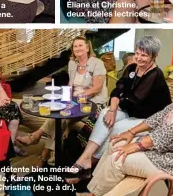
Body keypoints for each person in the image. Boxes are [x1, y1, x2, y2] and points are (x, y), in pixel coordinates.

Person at [85, 42, 173, 196]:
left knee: (117, 159)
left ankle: (94, 193)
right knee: (116, 143)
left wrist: (139, 144)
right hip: (172, 147)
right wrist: (131, 132)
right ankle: (94, 190)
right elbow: (164, 113)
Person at [66, 36, 171, 182]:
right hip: (130, 112)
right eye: (137, 53)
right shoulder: (131, 68)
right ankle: (85, 158)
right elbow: (117, 90)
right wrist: (112, 110)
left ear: (154, 56)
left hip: (149, 119)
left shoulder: (155, 75)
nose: (139, 58)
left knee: (114, 127)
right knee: (104, 114)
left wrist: (115, 107)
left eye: (144, 55)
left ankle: (89, 167)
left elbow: (133, 101)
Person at [16, 36, 108, 166]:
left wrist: (78, 98)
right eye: (75, 46)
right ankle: (45, 152)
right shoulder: (72, 63)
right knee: (59, 114)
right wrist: (67, 99)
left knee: (62, 119)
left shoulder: (97, 63)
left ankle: (41, 148)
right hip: (76, 102)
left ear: (87, 48)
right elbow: (71, 84)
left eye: (81, 45)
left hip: (93, 104)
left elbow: (96, 88)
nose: (77, 48)